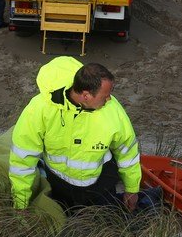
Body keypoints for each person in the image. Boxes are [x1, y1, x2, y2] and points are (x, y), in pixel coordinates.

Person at [9, 57, 141, 213]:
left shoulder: (113, 110)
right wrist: (21, 204)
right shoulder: (39, 110)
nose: (109, 99)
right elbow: (22, 161)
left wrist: (132, 190)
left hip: (101, 186)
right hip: (58, 187)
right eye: (104, 96)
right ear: (86, 95)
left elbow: (128, 152)